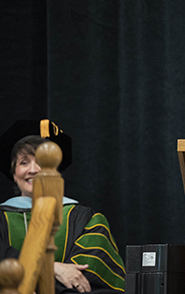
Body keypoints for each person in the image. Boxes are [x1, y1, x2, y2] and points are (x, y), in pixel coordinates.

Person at [0, 119, 125, 293]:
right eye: (24, 162)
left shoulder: (86, 219)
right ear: (14, 174)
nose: (33, 169)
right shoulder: (1, 218)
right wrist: (51, 268)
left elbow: (86, 279)